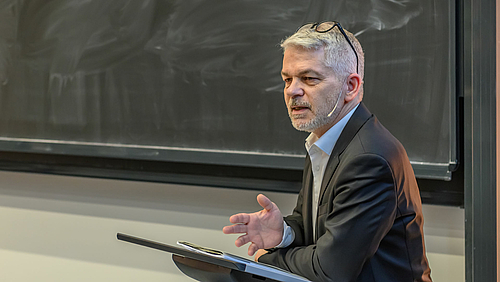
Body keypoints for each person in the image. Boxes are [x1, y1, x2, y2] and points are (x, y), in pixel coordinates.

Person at [222, 21, 432, 282]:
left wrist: (265, 259)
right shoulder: (326, 139)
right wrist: (283, 233)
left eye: (309, 78)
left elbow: (330, 270)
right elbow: (316, 225)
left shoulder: (368, 159)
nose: (292, 91)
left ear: (351, 86)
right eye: (287, 79)